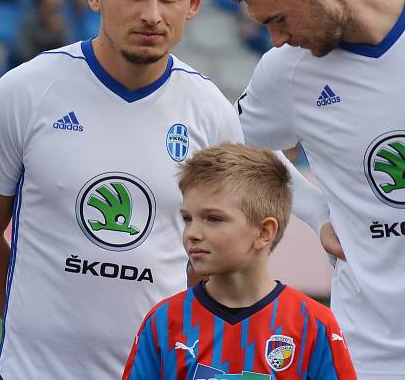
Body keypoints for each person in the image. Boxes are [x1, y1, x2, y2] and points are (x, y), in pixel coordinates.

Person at [0, 0, 246, 378]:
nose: (152, 14)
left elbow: (224, 253)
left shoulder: (212, 113)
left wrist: (167, 343)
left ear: (192, 3)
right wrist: (30, 328)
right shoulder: (25, 91)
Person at [225, 0, 405, 379]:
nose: (277, 39)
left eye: (280, 19)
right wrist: (314, 211)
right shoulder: (287, 72)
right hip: (367, 355)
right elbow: (235, 149)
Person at [122, 143, 357, 379]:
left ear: (264, 232)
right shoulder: (164, 322)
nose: (192, 232)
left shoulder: (313, 325)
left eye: (213, 219)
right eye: (187, 218)